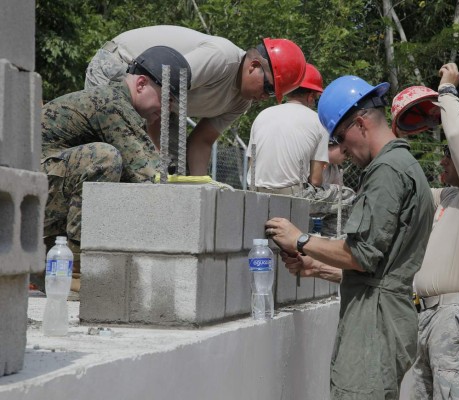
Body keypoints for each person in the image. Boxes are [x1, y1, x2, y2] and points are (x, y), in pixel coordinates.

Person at [265, 75, 434, 399]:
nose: (342, 150)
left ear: (360, 124)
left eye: (342, 139)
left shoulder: (387, 172)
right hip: (386, 314)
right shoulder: (405, 166)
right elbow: (379, 267)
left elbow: (362, 255)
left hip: (374, 324)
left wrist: (300, 239)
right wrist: (315, 266)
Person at [36, 46, 191, 295]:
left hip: (38, 190)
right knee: (104, 159)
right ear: (141, 84)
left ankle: (49, 264)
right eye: (168, 99)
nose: (167, 110)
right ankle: (75, 272)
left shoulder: (117, 103)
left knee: (118, 174)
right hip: (31, 189)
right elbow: (149, 175)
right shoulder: (112, 104)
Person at [392, 64, 459, 400]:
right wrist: (397, 134)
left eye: (448, 158)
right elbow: (406, 192)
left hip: (456, 321)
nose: (442, 162)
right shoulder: (449, 197)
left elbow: (458, 138)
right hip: (428, 319)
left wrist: (448, 90)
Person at [85, 25, 307, 176]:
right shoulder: (222, 59)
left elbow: (201, 141)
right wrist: (155, 164)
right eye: (268, 88)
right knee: (117, 158)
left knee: (163, 169)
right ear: (254, 66)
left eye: (271, 96)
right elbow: (159, 87)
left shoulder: (241, 102)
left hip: (156, 101)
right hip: (121, 68)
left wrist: (201, 187)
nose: (264, 97)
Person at [246, 63, 328, 194]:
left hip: (255, 192)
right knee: (341, 194)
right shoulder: (319, 122)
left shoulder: (263, 114)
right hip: (293, 196)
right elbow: (316, 180)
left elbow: (252, 163)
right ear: (311, 96)